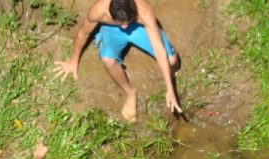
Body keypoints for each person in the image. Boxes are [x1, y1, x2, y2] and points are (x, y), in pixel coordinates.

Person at [54, 0, 182, 122]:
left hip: (138, 26)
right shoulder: (98, 11)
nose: (125, 26)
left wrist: (169, 87)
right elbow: (83, 34)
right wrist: (73, 60)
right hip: (113, 28)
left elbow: (159, 50)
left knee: (171, 61)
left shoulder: (143, 11)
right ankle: (130, 93)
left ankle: (122, 24)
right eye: (121, 21)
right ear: (110, 13)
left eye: (128, 20)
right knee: (107, 59)